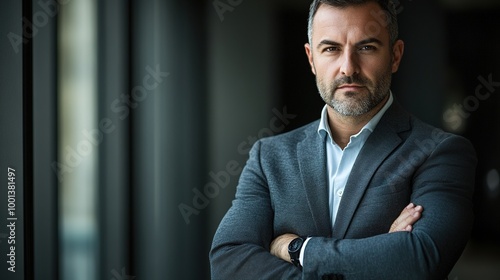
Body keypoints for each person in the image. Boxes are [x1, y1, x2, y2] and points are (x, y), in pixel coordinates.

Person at [210, 0, 477, 279]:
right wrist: (380, 257)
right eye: (331, 49)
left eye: (366, 47)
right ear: (311, 58)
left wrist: (297, 249)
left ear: (395, 56)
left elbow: (420, 260)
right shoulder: (269, 157)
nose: (348, 68)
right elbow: (227, 262)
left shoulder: (440, 152)